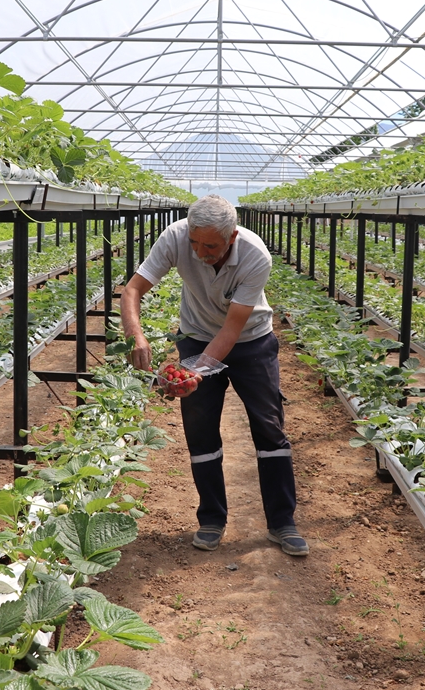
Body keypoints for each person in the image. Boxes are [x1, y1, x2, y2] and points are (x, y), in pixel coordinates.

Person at [120, 195, 307, 556]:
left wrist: (190, 372)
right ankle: (211, 519)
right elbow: (132, 289)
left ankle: (282, 522)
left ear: (232, 236)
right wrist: (135, 334)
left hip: (251, 341)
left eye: (210, 246)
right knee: (200, 429)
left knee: (269, 428)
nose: (199, 252)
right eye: (194, 242)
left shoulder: (255, 255)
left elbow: (232, 329)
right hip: (196, 334)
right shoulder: (175, 237)